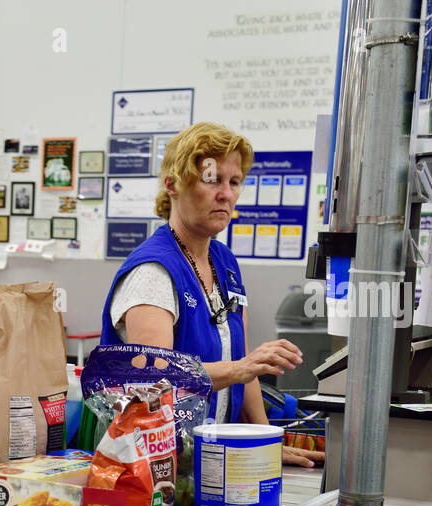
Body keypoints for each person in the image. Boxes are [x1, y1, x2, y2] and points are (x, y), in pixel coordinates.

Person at [100, 121, 323, 468]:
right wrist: (239, 368)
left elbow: (244, 365)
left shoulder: (225, 262)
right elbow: (156, 379)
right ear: (173, 185)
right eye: (212, 180)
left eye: (234, 182)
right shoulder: (153, 272)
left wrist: (267, 442)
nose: (226, 194)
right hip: (155, 467)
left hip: (212, 460)